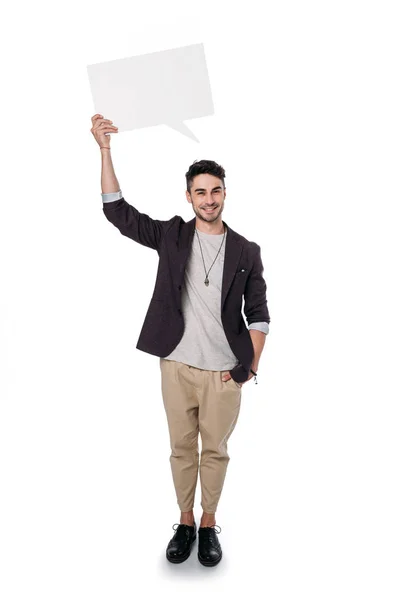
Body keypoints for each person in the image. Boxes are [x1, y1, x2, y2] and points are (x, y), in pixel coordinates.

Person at [90, 114, 271, 567]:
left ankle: (209, 524)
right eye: (200, 192)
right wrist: (105, 150)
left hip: (225, 373)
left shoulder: (247, 251)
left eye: (215, 190)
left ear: (225, 193)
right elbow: (118, 211)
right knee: (180, 447)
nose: (208, 200)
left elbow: (261, 316)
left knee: (216, 450)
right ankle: (185, 521)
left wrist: (247, 369)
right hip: (175, 365)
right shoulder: (172, 235)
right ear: (188, 196)